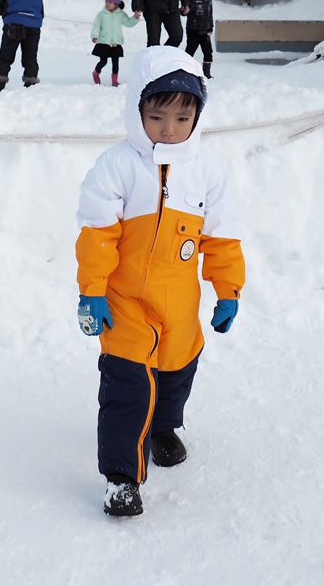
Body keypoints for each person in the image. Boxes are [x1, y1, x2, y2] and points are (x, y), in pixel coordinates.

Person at [75, 45, 246, 517]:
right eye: (155, 116)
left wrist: (227, 290)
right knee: (127, 384)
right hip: (125, 298)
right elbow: (97, 235)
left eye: (180, 118)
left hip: (179, 300)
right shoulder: (118, 165)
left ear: (197, 118)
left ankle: (165, 426)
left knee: (176, 373)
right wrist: (91, 290)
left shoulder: (208, 172)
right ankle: (121, 478)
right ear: (137, 111)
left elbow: (222, 237)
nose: (168, 129)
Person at [90, 0, 139, 87]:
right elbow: (96, 26)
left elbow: (128, 23)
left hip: (116, 43)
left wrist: (135, 17)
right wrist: (95, 36)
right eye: (106, 2)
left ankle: (114, 80)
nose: (107, 4)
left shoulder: (120, 14)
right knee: (103, 61)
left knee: (115, 62)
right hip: (104, 42)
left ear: (116, 4)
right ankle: (96, 72)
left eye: (110, 2)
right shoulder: (101, 14)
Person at [185, 0, 214, 79]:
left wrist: (210, 26)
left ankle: (206, 73)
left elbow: (210, 15)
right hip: (194, 31)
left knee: (208, 53)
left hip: (205, 31)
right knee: (189, 52)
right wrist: (184, 11)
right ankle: (185, 71)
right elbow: (184, 11)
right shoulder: (192, 0)